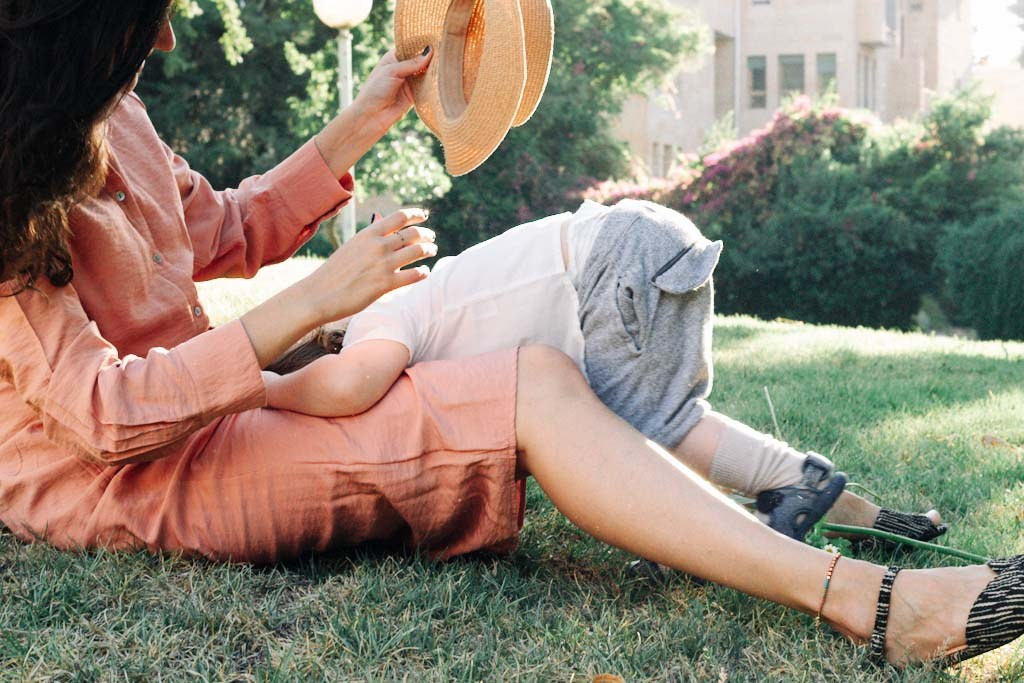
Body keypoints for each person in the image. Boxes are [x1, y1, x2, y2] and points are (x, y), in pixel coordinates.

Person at [0, 1, 1021, 668]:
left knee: (529, 346)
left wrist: (363, 119)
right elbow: (105, 413)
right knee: (524, 384)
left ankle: (820, 522)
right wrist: (310, 308)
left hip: (216, 409)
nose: (159, 48)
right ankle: (869, 602)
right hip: (133, 478)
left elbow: (218, 228)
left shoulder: (113, 112)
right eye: (139, 30)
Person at [262, 199, 943, 546]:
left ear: (333, 338)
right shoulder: (432, 307)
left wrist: (260, 388)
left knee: (638, 440)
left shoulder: (384, 319)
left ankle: (754, 508)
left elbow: (350, 386)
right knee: (669, 424)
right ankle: (835, 498)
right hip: (636, 248)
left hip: (615, 263)